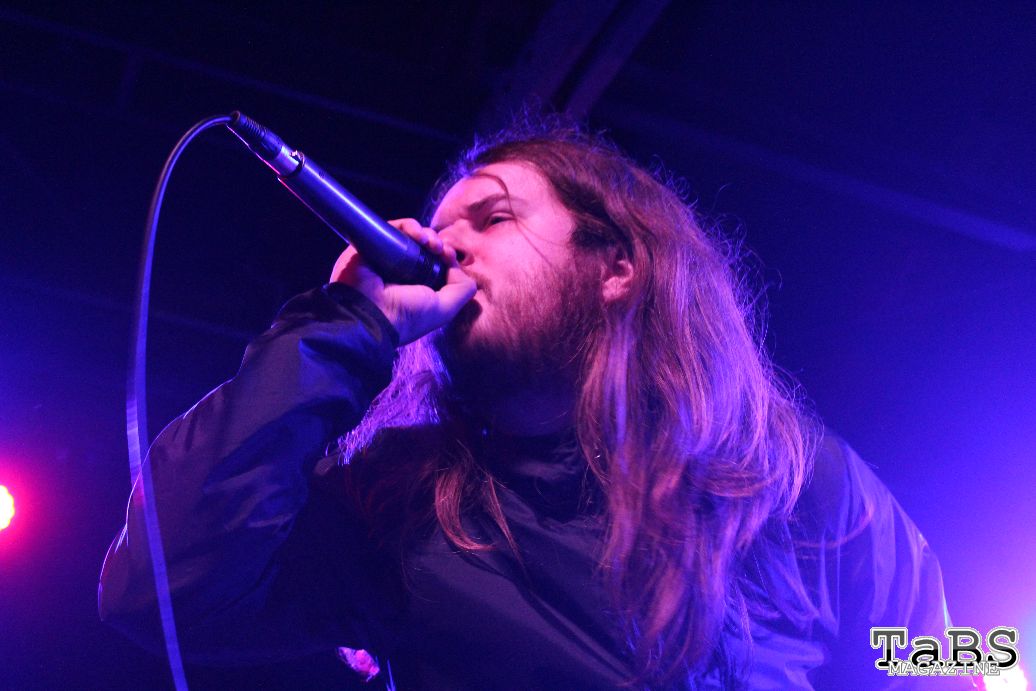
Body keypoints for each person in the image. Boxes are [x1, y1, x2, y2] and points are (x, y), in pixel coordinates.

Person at [100, 119, 965, 689]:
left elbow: (931, 651)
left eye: (492, 219)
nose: (444, 247)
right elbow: (161, 590)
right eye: (443, 228)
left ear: (616, 267)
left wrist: (995, 665)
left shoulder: (782, 474)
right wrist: (342, 324)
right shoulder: (401, 507)